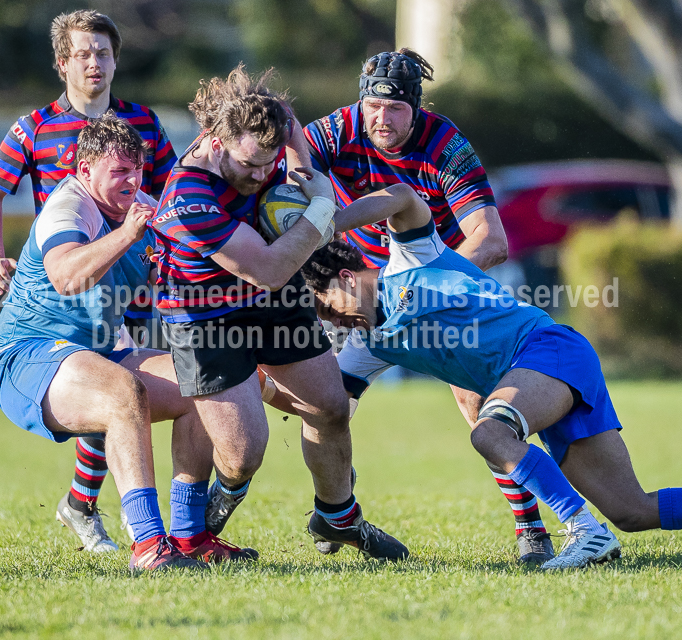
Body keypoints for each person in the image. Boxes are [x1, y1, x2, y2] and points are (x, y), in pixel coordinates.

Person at [299, 185, 682, 569]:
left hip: (550, 349)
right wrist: (259, 380)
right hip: (536, 379)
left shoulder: (412, 258)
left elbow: (401, 196)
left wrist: (329, 222)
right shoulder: (365, 346)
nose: (331, 321)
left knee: (489, 433)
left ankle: (584, 531)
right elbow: (324, 405)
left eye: (327, 307)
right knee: (633, 512)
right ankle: (593, 528)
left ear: (347, 278)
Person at [303, 49, 553, 563]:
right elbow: (287, 166)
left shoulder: (446, 145)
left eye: (395, 109)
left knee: (475, 404)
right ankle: (335, 507)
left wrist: (430, 293)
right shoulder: (337, 129)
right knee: (324, 401)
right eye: (373, 106)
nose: (382, 119)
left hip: (436, 292)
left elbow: (491, 239)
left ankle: (531, 529)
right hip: (364, 293)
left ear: (416, 107)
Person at [150, 65, 408, 560]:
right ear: (216, 142)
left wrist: (303, 170)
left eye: (268, 164)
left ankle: (338, 519)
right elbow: (267, 269)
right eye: (249, 165)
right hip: (204, 317)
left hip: (271, 303)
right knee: (245, 453)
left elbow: (287, 119)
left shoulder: (265, 131)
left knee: (331, 407)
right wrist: (320, 207)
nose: (259, 176)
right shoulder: (189, 198)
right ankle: (221, 495)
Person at [0, 114, 264, 571]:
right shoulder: (69, 209)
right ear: (84, 171)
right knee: (122, 391)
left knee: (201, 383)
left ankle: (190, 535)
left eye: (137, 169)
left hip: (98, 351)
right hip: (28, 355)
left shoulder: (143, 208)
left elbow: (183, 276)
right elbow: (66, 277)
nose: (132, 179)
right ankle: (148, 544)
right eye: (119, 171)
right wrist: (129, 236)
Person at [0, 9, 176, 552]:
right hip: (63, 282)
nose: (95, 62)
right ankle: (134, 531)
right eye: (83, 53)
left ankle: (178, 529)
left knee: (170, 385)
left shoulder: (143, 126)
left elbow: (174, 202)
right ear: (63, 63)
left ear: (116, 60)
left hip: (120, 276)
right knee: (114, 392)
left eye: (103, 52)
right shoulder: (37, 127)